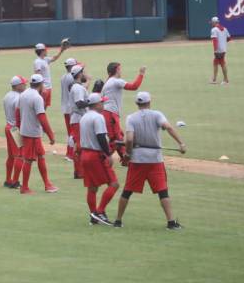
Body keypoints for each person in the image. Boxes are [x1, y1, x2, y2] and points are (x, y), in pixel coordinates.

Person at [115, 92, 187, 230]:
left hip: (137, 160)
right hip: (155, 160)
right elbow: (169, 127)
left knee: (127, 191)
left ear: (137, 104)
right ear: (149, 102)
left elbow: (129, 139)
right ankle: (171, 222)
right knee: (162, 191)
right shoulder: (157, 114)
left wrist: (128, 154)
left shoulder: (131, 118)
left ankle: (118, 221)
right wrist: (181, 144)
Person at [79, 93, 119, 226]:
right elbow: (101, 137)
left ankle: (93, 216)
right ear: (96, 104)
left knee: (92, 188)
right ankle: (99, 212)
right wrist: (108, 154)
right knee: (114, 184)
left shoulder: (84, 117)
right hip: (96, 155)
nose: (103, 104)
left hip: (85, 155)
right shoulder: (98, 117)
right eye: (102, 102)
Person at [15, 74, 58, 194]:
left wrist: (19, 129)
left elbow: (17, 113)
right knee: (29, 159)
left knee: (41, 156)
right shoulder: (37, 98)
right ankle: (24, 187)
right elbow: (42, 117)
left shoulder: (23, 94)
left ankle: (47, 184)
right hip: (32, 133)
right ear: (41, 84)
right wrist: (50, 135)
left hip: (27, 131)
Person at [101, 62, 145, 161]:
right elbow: (134, 86)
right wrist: (141, 74)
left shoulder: (108, 82)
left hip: (108, 113)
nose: (121, 71)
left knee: (118, 136)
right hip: (110, 113)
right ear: (116, 70)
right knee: (116, 139)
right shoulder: (116, 81)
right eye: (120, 69)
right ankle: (104, 158)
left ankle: (124, 158)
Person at [2, 75, 27, 188]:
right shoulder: (18, 98)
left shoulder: (7, 96)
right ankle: (15, 182)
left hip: (8, 127)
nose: (25, 85)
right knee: (19, 156)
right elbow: (19, 115)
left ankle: (8, 179)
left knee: (11, 156)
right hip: (15, 129)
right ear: (17, 86)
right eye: (23, 84)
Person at [69, 64, 89, 179]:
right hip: (78, 119)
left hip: (79, 119)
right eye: (83, 71)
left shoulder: (78, 87)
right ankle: (79, 172)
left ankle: (80, 171)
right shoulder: (77, 88)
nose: (85, 73)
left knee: (80, 146)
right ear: (79, 74)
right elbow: (79, 103)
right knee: (79, 146)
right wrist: (92, 102)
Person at [33, 42, 68, 108]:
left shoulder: (45, 59)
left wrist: (61, 50)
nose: (47, 51)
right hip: (43, 88)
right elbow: (38, 75)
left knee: (45, 106)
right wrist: (42, 87)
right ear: (42, 51)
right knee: (40, 107)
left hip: (48, 87)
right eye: (45, 50)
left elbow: (54, 58)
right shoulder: (37, 62)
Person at [60, 58, 78, 162]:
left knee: (70, 132)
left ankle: (69, 153)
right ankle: (70, 154)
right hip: (71, 108)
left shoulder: (63, 77)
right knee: (73, 132)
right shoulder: (71, 78)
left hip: (65, 107)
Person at [210, 16, 231, 85]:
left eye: (212, 22)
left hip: (218, 50)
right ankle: (214, 79)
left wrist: (215, 50)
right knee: (215, 62)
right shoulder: (225, 29)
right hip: (223, 49)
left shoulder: (214, 30)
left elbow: (215, 40)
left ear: (214, 22)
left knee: (222, 63)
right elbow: (229, 38)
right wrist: (223, 42)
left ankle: (226, 80)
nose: (211, 24)